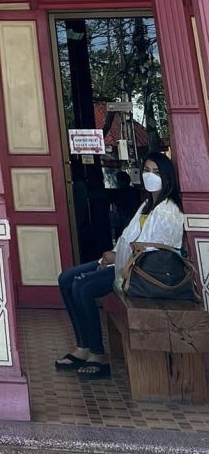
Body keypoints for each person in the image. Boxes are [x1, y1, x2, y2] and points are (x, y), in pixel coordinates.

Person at [54, 151, 185, 380]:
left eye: (155, 172)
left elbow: (160, 250)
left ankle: (97, 353)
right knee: (66, 278)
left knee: (82, 287)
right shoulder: (146, 204)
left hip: (142, 270)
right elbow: (127, 235)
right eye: (146, 171)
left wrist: (117, 258)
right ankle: (83, 345)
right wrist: (112, 255)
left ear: (167, 177)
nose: (149, 176)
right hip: (121, 260)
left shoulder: (170, 210)